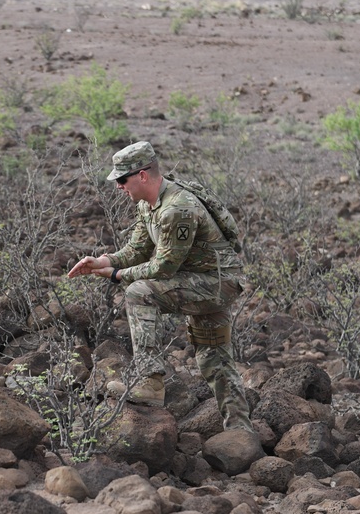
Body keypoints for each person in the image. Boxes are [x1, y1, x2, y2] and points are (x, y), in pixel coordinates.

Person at [68, 141, 253, 431]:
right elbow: (136, 250)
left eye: (122, 179)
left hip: (217, 285)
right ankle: (241, 431)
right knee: (214, 357)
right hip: (203, 281)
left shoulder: (177, 209)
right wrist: (103, 261)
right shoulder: (148, 204)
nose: (118, 186)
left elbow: (164, 268)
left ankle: (150, 381)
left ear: (142, 175)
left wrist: (116, 275)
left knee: (139, 292)